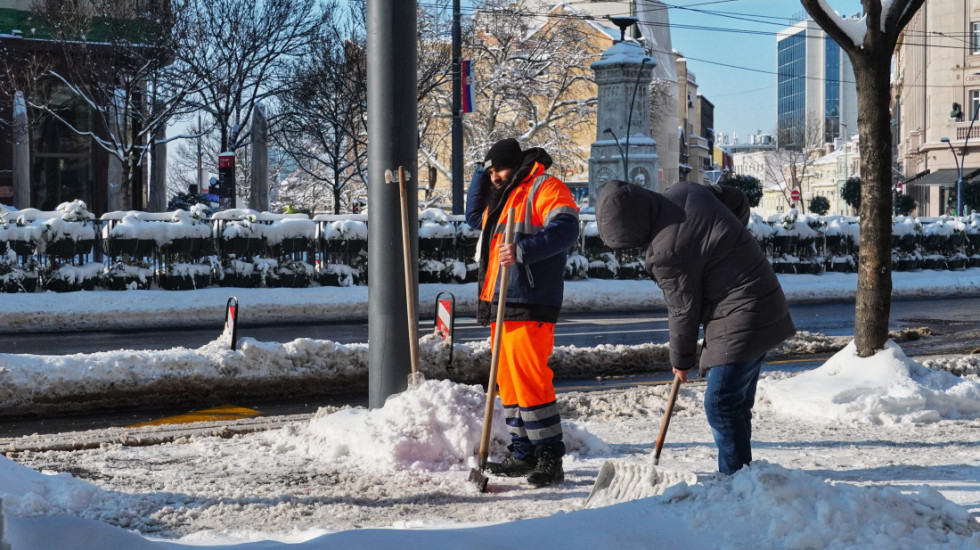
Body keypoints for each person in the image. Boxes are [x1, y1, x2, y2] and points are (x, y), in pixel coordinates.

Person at [595, 179, 796, 475]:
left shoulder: (666, 251)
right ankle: (744, 477)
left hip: (741, 317)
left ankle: (735, 481)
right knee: (734, 405)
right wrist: (728, 246)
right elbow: (737, 200)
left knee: (721, 404)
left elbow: (682, 311)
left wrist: (681, 360)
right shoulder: (686, 191)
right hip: (764, 298)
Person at [465, 138, 580, 487]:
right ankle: (524, 451)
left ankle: (548, 455)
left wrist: (523, 250)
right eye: (490, 173)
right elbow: (474, 217)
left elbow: (567, 228)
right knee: (509, 382)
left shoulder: (544, 187)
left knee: (530, 379)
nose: (494, 177)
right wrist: (481, 172)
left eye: (498, 170)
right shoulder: (505, 198)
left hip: (529, 299)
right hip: (501, 302)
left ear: (515, 165)